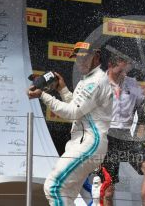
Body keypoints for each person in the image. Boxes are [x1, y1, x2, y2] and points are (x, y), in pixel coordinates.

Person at [27, 41, 113, 206]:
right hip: (82, 142)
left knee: (54, 187)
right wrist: (62, 90)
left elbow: (72, 112)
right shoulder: (87, 79)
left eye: (84, 57)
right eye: (77, 58)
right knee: (64, 193)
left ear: (96, 56)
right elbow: (78, 110)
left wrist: (43, 96)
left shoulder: (95, 81)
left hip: (90, 142)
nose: (80, 62)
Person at [101, 54, 145, 206]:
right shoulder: (98, 82)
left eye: (126, 70)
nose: (124, 74)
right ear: (110, 66)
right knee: (108, 189)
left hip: (126, 136)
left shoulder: (132, 84)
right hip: (104, 137)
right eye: (120, 70)